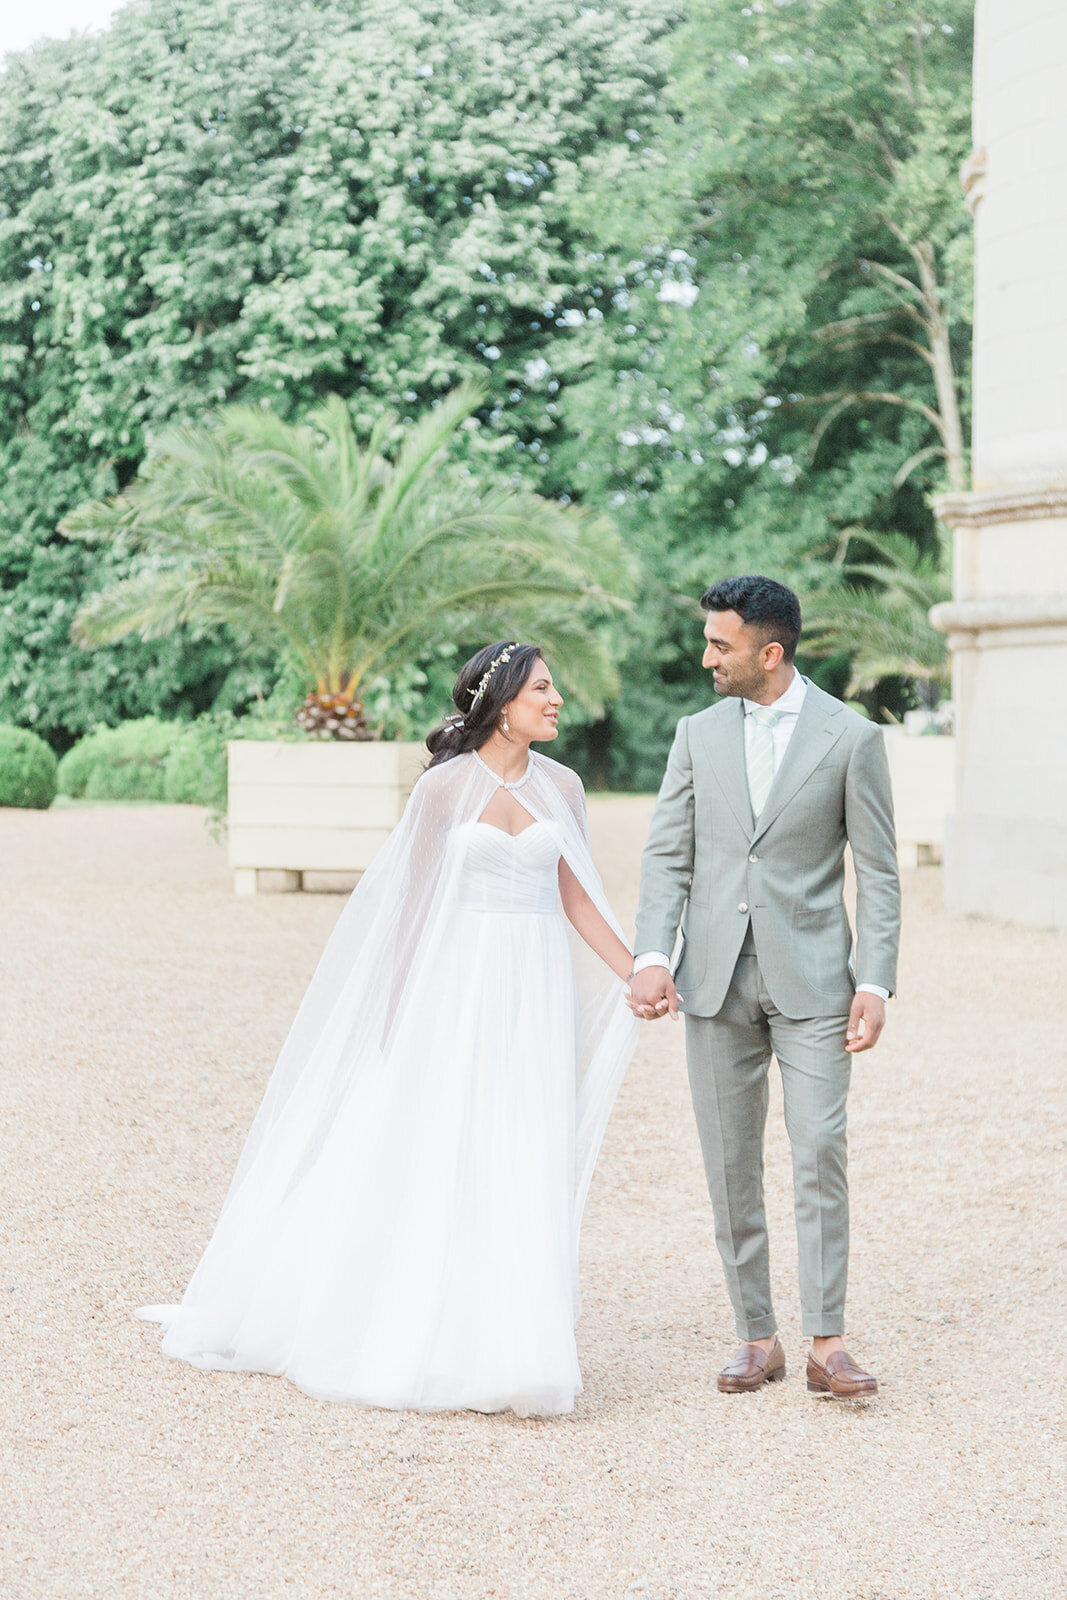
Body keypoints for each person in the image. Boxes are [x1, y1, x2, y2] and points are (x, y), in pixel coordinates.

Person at [139, 643, 639, 1416]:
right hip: (457, 982)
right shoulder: (442, 789)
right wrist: (397, 1007)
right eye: (544, 689)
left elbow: (578, 900)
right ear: (502, 701)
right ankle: (420, 1330)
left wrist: (634, 969)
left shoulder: (563, 787)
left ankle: (516, 1341)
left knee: (521, 1142)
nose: (557, 701)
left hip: (532, 981)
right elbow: (410, 906)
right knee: (446, 1140)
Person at [629, 576, 900, 1398]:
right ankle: (756, 1336)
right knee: (728, 1161)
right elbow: (666, 854)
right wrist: (650, 952)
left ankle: (826, 1343)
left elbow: (878, 873)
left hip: (816, 980)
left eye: (721, 645)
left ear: (769, 653)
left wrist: (875, 981)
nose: (706, 657)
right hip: (711, 979)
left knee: (819, 1149)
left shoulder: (850, 738)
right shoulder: (694, 735)